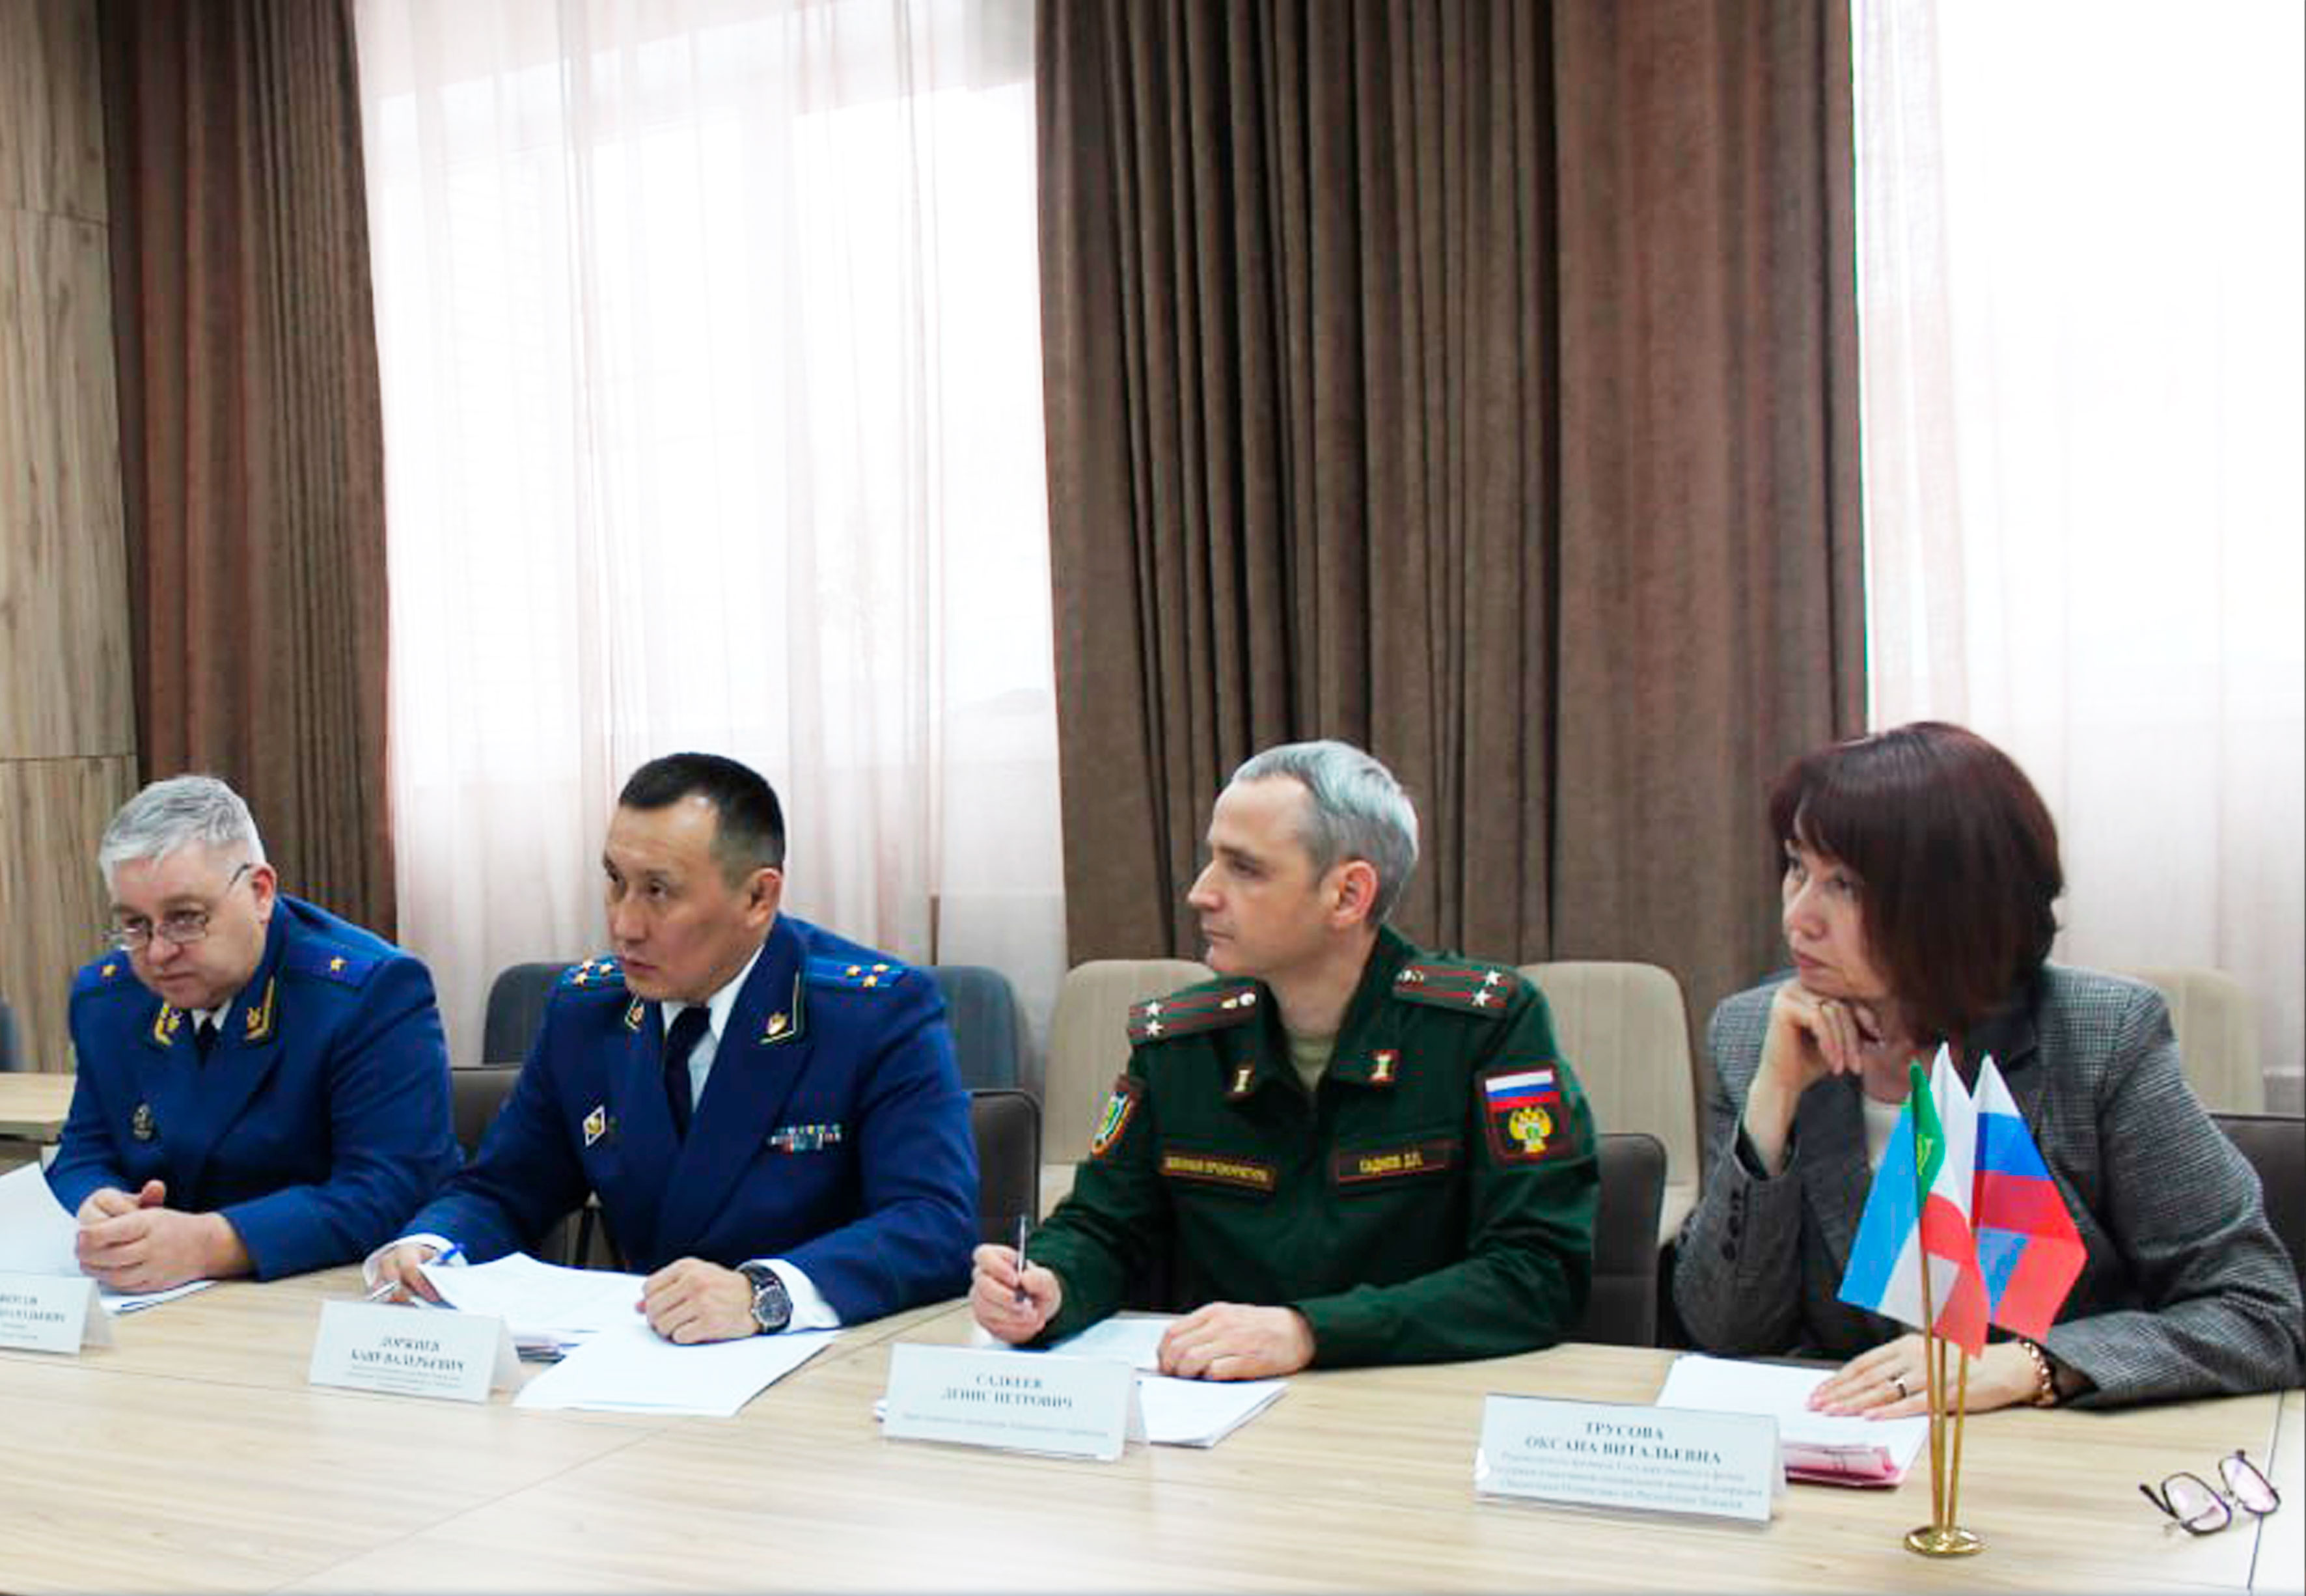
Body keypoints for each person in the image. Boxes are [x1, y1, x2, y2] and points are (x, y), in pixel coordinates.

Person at [1673, 721, 2304, 1411]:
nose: (1799, 918)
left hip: (2058, 1451)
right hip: (1853, 1445)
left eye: (1845, 886)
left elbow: (2261, 1313)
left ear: (1954, 902)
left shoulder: (2096, 1039)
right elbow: (1724, 1330)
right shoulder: (1755, 1034)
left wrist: (2032, 1365)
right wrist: (1772, 1102)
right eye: (1798, 868)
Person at [972, 739, 1599, 1378]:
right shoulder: (1181, 1043)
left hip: (1418, 1398)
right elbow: (1105, 1228)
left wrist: (1311, 1331)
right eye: (1211, 860)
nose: (1200, 893)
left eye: (1244, 868)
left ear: (1348, 895)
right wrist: (1050, 1283)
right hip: (1213, 1405)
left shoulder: (1485, 1027)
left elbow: (1538, 1272)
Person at [372, 752, 977, 1343]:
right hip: (644, 1357)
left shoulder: (871, 1015)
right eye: (616, 882)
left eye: (658, 891)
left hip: (822, 1366)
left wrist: (765, 1294)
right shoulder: (587, 1011)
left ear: (758, 899)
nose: (624, 926)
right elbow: (505, 1189)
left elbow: (933, 1224)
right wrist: (432, 1249)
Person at [49, 776, 460, 1290]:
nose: (157, 952)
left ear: (260, 893)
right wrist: (97, 1205)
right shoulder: (107, 999)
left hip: (311, 1294)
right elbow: (83, 1154)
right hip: (149, 1301)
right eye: (134, 924)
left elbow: (391, 1188)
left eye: (185, 918)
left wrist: (213, 1244)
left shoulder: (368, 992)